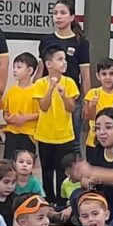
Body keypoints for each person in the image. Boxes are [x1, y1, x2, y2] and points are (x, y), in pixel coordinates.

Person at [36, 0, 91, 152]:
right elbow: (40, 70)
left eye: (63, 13)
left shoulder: (81, 43)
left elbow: (85, 75)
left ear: (72, 17)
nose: (58, 16)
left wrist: (87, 101)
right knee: (48, 139)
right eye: (55, 13)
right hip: (48, 95)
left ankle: (73, 167)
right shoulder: (46, 41)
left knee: (73, 143)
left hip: (70, 96)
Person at [33, 45, 79, 203]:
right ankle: (49, 200)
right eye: (60, 59)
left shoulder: (69, 82)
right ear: (48, 64)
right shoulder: (40, 83)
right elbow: (43, 107)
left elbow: (71, 108)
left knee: (62, 172)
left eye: (64, 59)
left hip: (65, 135)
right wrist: (51, 88)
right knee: (47, 171)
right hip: (45, 135)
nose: (64, 62)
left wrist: (64, 95)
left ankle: (61, 201)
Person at [83, 58, 113, 157]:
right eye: (104, 74)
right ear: (98, 76)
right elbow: (89, 116)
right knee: (92, 166)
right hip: (94, 140)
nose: (108, 77)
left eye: (111, 74)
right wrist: (92, 105)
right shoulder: (92, 93)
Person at [2, 52, 39, 158]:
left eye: (19, 67)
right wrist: (8, 118)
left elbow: (41, 113)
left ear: (30, 71)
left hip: (28, 134)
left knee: (25, 161)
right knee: (9, 162)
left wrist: (24, 118)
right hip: (11, 133)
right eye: (14, 67)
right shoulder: (11, 90)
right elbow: (5, 111)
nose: (14, 70)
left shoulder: (37, 90)